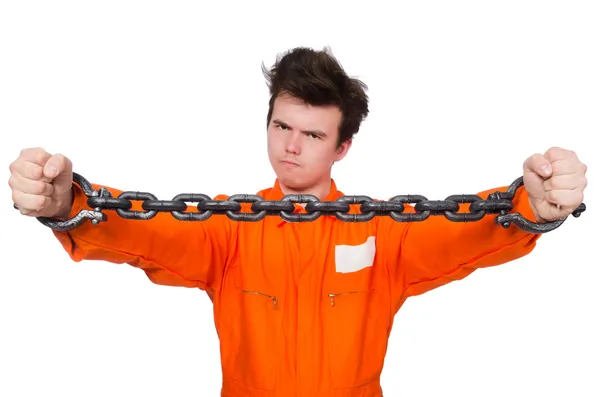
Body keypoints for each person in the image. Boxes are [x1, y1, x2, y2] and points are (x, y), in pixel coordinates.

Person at [8, 46, 588, 397]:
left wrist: (533, 205)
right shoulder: (226, 232)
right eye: (282, 126)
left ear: (342, 148)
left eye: (312, 134)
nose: (291, 147)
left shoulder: (381, 236)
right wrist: (69, 205)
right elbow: (146, 233)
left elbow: (466, 233)